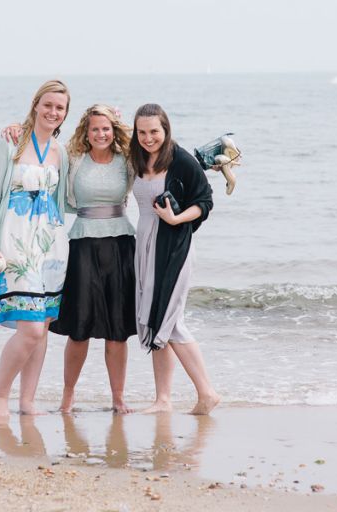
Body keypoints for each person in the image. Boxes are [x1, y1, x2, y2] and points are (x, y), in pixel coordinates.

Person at [4, 105, 137, 414]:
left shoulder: (126, 162)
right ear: (85, 132)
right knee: (79, 330)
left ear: (113, 130)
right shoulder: (72, 159)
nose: (101, 134)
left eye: (106, 128)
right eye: (95, 129)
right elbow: (42, 155)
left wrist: (122, 121)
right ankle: (68, 397)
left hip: (120, 245)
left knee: (117, 331)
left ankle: (118, 399)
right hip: (81, 245)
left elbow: (149, 152)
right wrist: (17, 128)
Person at [0, 80, 71, 420]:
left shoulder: (62, 153)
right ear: (35, 105)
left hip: (52, 246)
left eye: (60, 108)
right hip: (15, 245)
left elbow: (68, 200)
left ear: (65, 115)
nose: (53, 112)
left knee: (41, 326)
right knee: (29, 328)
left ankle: (27, 401)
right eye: (48, 105)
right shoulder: (10, 142)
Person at [130, 103, 220, 415]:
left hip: (173, 247)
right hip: (144, 245)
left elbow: (205, 201)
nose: (148, 138)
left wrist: (176, 219)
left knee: (170, 321)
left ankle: (207, 393)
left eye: (154, 131)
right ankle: (163, 399)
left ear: (166, 129)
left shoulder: (180, 159)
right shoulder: (137, 157)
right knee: (157, 322)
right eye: (141, 132)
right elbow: (100, 141)